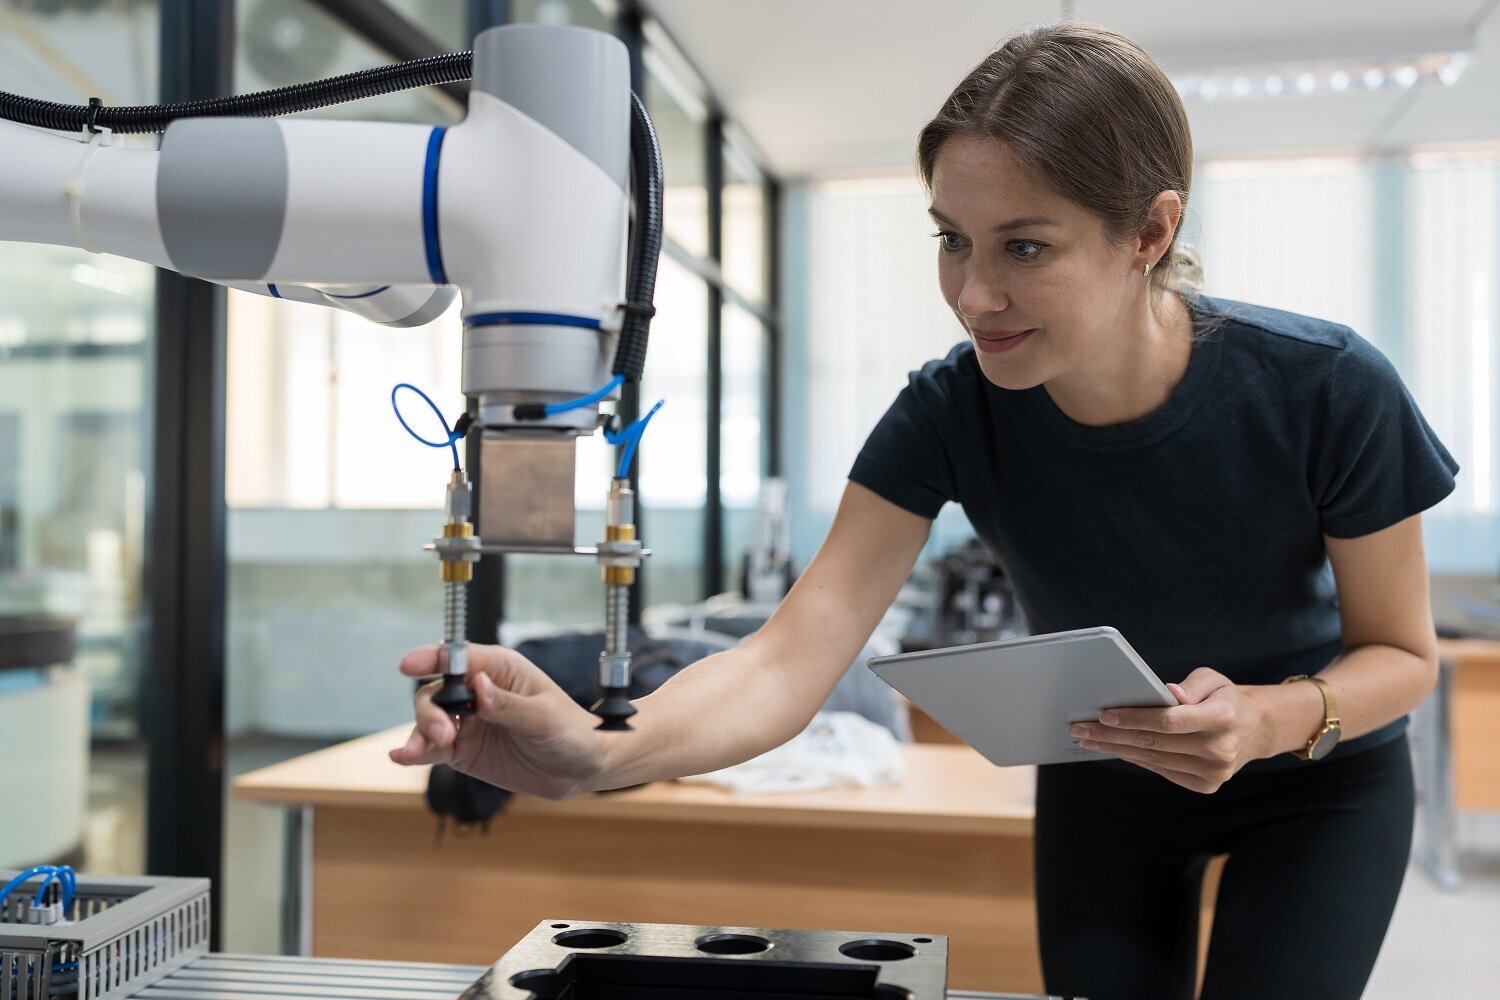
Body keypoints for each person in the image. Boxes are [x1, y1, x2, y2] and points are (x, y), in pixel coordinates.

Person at [389, 22, 1458, 1000]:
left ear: (1149, 230)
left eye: (1024, 247)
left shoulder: (1326, 387)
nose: (973, 293)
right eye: (953, 239)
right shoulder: (948, 409)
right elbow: (785, 659)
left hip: (1320, 779)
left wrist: (1268, 717)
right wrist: (598, 750)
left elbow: (1403, 655)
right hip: (1105, 768)